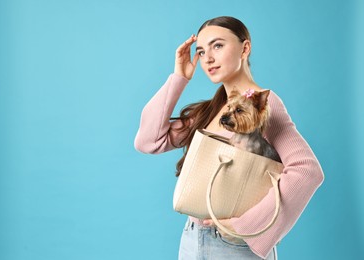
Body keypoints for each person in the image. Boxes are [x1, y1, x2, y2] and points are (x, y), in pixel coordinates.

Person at [134, 16, 324, 260]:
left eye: (218, 45)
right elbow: (148, 140)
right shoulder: (211, 110)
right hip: (192, 239)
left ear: (245, 48)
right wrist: (179, 78)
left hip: (233, 246)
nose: (208, 58)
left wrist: (246, 227)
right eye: (201, 51)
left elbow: (307, 171)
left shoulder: (261, 105)